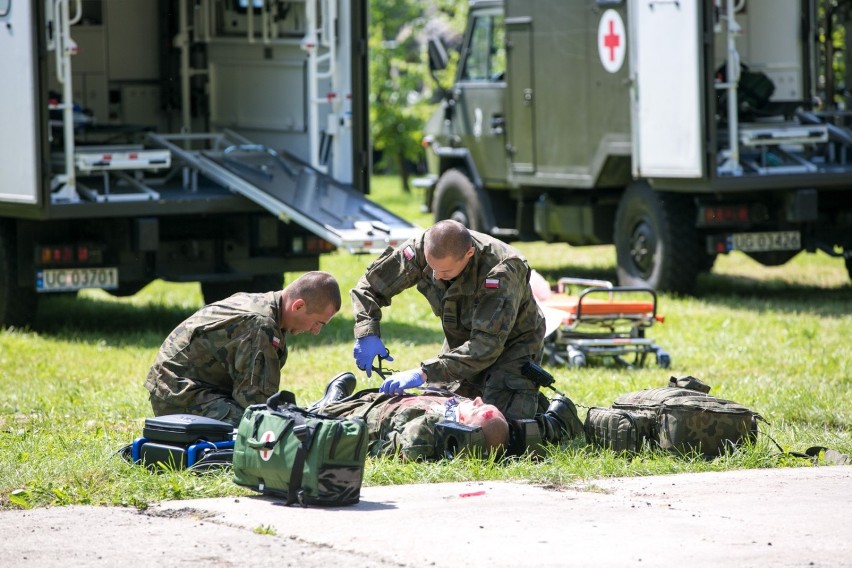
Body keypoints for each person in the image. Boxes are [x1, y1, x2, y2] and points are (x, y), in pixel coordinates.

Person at [350, 219, 546, 421]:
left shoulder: (501, 270)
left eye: (445, 271)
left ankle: (553, 416)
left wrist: (424, 373)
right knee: (439, 413)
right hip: (463, 340)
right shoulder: (423, 247)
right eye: (431, 267)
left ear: (468, 254)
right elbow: (369, 287)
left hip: (512, 343)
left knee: (497, 424)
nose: (436, 276)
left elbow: (486, 346)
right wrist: (367, 332)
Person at [145, 271, 341, 426]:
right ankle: (316, 413)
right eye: (318, 323)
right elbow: (255, 404)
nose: (315, 331)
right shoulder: (260, 325)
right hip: (178, 397)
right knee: (264, 428)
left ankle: (314, 412)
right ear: (297, 306)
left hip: (185, 388)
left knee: (279, 422)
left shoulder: (264, 306)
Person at [307, 373, 510, 461]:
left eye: (476, 410)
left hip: (367, 414)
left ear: (465, 430)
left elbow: (384, 449)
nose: (476, 400)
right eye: (481, 403)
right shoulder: (456, 409)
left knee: (316, 417)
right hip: (382, 402)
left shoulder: (428, 433)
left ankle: (328, 405)